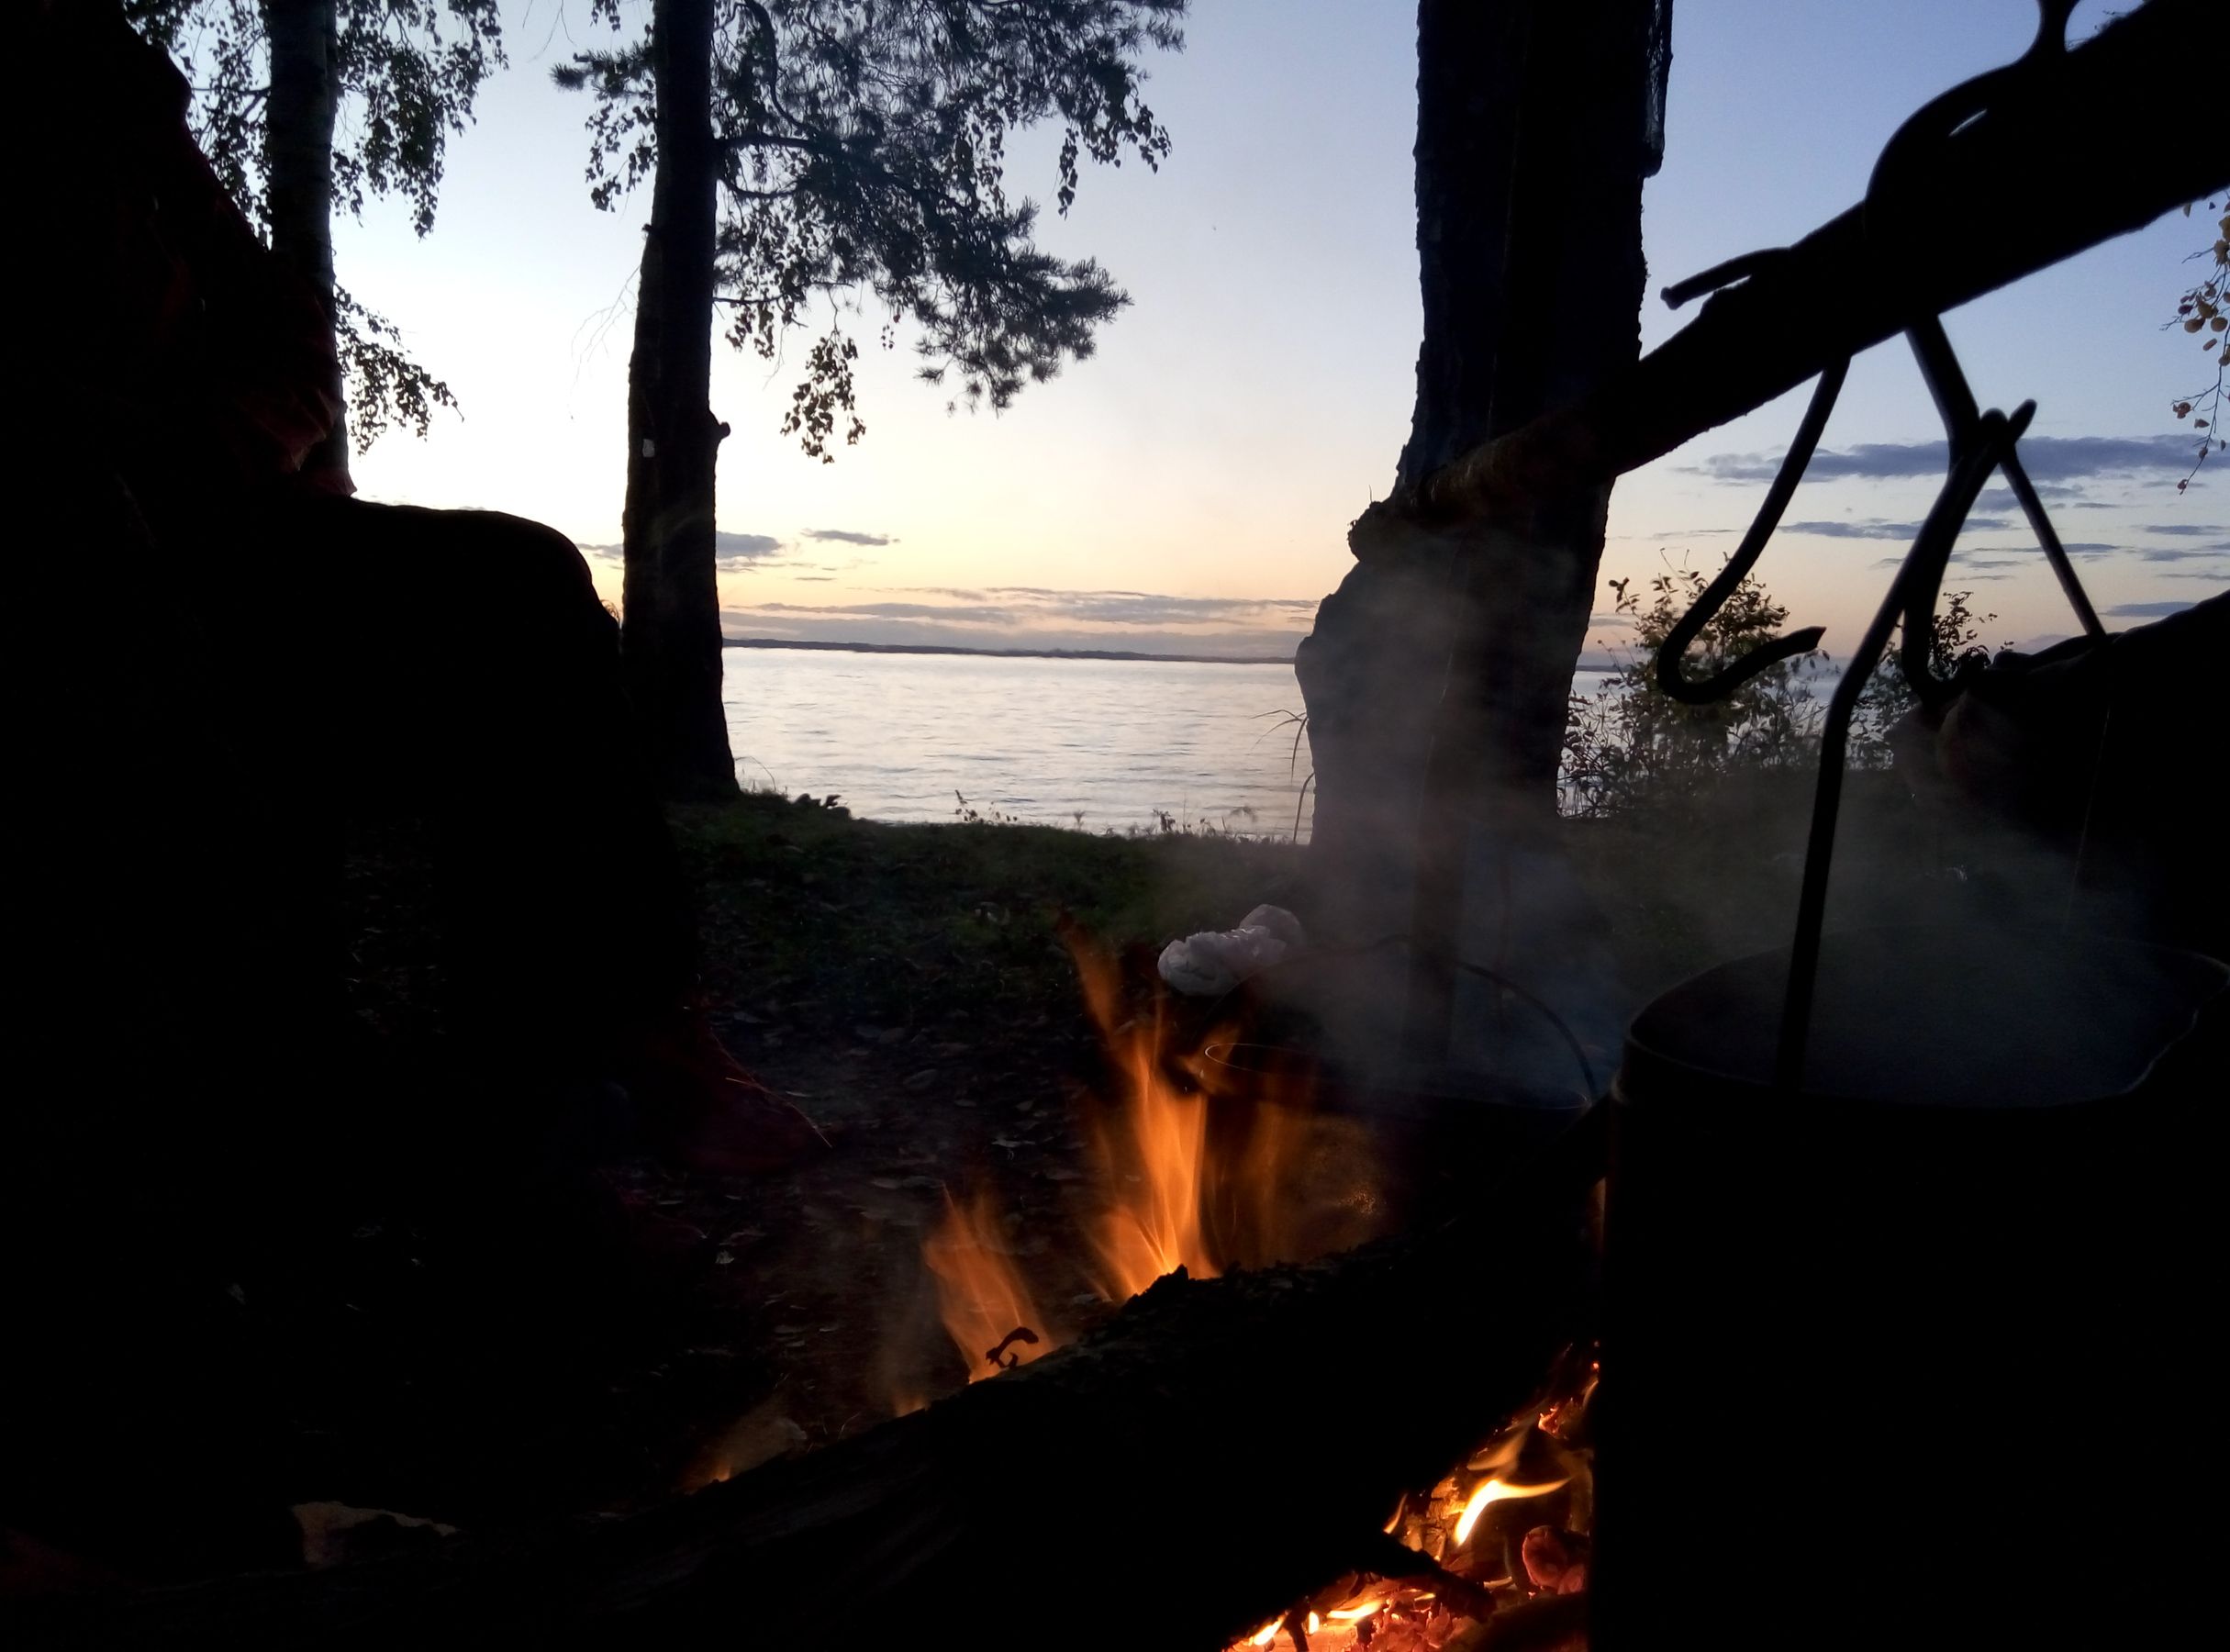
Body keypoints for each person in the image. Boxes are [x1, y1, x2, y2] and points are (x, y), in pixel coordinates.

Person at [5, 1, 817, 1581]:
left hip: (178, 513)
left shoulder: (94, 75)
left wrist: (210, 415)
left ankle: (583, 1091)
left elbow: (265, 321)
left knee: (511, 588)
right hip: (59, 527)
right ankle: (184, 1245)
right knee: (118, 671)